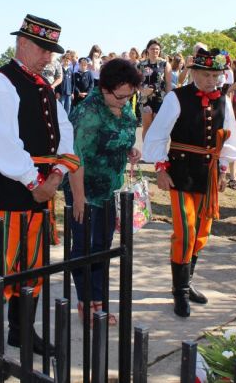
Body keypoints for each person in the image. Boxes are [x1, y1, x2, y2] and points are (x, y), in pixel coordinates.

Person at [0, 14, 82, 373]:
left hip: (42, 186)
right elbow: (1, 142)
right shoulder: (0, 82)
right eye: (43, 49)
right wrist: (35, 181)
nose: (48, 57)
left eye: (51, 51)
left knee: (33, 265)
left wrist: (57, 173)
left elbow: (64, 130)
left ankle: (21, 332)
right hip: (6, 187)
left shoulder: (42, 84)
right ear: (23, 43)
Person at [143, 47, 236, 318]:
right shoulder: (176, 98)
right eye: (206, 74)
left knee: (201, 232)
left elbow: (230, 138)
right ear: (194, 72)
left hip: (208, 175)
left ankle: (187, 281)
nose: (211, 80)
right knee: (185, 231)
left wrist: (223, 170)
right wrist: (161, 168)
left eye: (215, 75)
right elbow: (158, 134)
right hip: (181, 173)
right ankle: (180, 292)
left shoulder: (224, 101)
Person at [64, 58, 141, 324]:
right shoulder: (88, 112)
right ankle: (87, 302)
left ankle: (98, 300)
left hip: (110, 188)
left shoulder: (123, 105)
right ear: (105, 88)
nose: (125, 101)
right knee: (83, 246)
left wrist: (129, 149)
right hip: (84, 188)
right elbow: (76, 158)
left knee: (102, 246)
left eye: (129, 96)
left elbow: (120, 135)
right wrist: (79, 198)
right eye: (120, 96)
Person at [138, 39, 172, 141]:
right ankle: (146, 150)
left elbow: (168, 83)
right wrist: (142, 90)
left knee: (158, 127)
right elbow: (135, 82)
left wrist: (169, 100)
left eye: (157, 49)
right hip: (145, 99)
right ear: (148, 49)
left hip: (160, 99)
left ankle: (157, 150)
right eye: (152, 49)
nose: (155, 51)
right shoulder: (141, 64)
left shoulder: (165, 64)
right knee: (147, 127)